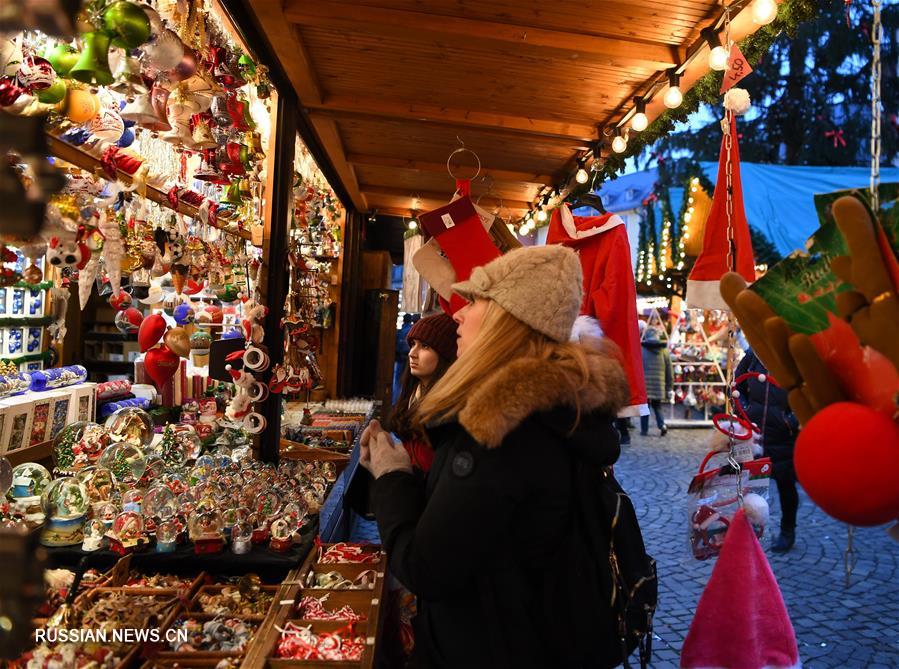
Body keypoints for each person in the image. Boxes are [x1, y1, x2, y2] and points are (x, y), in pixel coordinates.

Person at [361, 245, 630, 668]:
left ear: (509, 320)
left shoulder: (500, 430)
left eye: (475, 300)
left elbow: (427, 567)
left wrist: (391, 476)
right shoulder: (550, 415)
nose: (458, 314)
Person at [735, 348, 800, 553]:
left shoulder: (793, 357)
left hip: (783, 437)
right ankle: (753, 528)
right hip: (755, 436)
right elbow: (738, 382)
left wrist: (790, 421)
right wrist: (744, 412)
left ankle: (787, 531)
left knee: (785, 485)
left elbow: (807, 393)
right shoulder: (755, 354)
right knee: (753, 486)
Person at [388, 312, 458, 472]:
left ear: (445, 355)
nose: (412, 353)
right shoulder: (413, 394)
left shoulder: (447, 411)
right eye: (412, 344)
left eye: (425, 346)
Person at [640, 326, 672, 436]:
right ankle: (662, 425)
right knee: (657, 406)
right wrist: (669, 387)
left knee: (645, 408)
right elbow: (669, 371)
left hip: (645, 385)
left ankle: (644, 430)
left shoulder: (641, 350)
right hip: (659, 385)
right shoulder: (664, 351)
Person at [393, 314, 414, 402]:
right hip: (409, 359)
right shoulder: (412, 331)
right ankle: (404, 400)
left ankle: (395, 401)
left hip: (399, 358)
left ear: (404, 320)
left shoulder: (400, 331)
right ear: (410, 320)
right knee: (407, 380)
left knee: (397, 380)